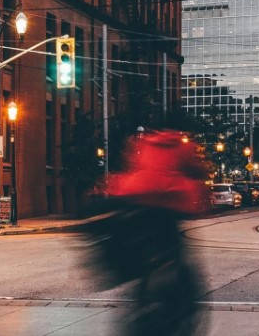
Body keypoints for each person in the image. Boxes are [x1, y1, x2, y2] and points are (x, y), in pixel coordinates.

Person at [89, 129, 209, 336]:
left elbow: (130, 166)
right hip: (168, 212)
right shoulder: (182, 145)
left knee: (144, 273)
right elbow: (197, 176)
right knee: (181, 274)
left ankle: (141, 308)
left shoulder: (143, 143)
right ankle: (176, 312)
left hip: (138, 208)